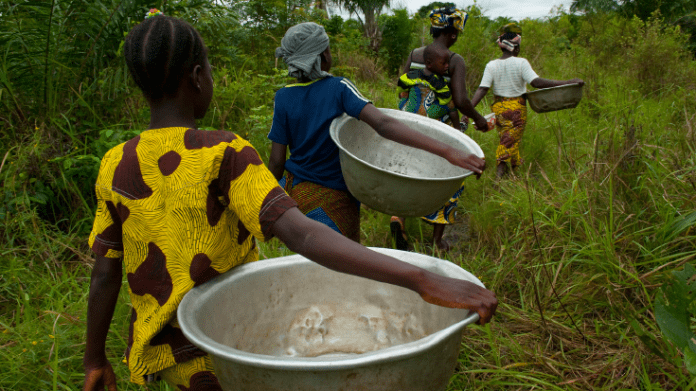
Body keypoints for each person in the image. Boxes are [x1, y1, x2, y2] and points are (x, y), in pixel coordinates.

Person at [83, 12, 497, 391]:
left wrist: (94, 358)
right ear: (196, 77)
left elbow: (104, 273)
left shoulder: (114, 163)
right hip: (225, 352)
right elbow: (303, 234)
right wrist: (422, 279)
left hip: (163, 353)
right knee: (342, 281)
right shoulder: (224, 152)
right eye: (209, 68)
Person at [268, 22, 486, 243]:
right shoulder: (339, 87)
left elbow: (277, 161)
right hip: (334, 199)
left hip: (297, 195)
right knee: (341, 261)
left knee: (307, 257)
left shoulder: (283, 97)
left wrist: (272, 200)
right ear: (324, 54)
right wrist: (448, 151)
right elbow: (382, 124)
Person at [390, 7, 490, 252]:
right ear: (453, 34)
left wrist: (409, 113)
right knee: (448, 176)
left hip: (410, 126)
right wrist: (479, 119)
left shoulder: (416, 54)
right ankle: (437, 240)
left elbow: (402, 88)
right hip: (439, 130)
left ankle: (399, 218)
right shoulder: (454, 60)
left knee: (408, 171)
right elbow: (461, 99)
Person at [470, 23, 584, 178]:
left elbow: (482, 89)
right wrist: (567, 82)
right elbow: (536, 82)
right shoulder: (521, 62)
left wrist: (467, 110)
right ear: (516, 47)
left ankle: (515, 170)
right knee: (508, 141)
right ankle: (499, 176)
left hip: (499, 108)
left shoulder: (491, 65)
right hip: (516, 108)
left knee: (509, 137)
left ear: (501, 47)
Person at [397, 44, 460, 129]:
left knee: (407, 94)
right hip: (427, 116)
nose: (447, 66)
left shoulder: (411, 75)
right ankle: (458, 130)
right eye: (443, 63)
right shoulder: (439, 82)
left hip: (409, 112)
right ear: (429, 64)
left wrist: (403, 94)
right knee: (452, 105)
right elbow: (445, 99)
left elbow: (401, 84)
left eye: (447, 62)